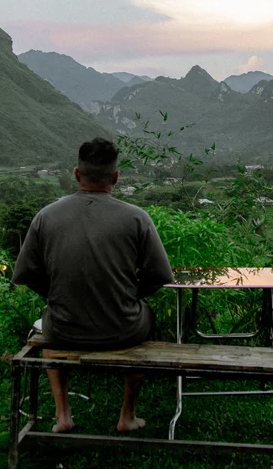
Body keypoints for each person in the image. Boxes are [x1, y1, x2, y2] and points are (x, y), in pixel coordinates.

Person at [12, 137, 173, 433]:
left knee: (46, 332)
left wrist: (55, 295)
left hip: (64, 329)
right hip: (124, 329)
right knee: (146, 318)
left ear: (76, 174)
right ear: (115, 177)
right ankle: (127, 415)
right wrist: (130, 294)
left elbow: (25, 274)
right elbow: (160, 276)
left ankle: (63, 415)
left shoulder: (46, 216)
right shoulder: (137, 218)